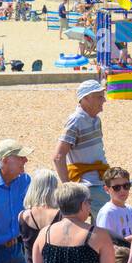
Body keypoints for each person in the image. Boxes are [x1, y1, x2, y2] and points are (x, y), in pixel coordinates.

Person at [54, 80, 110, 210]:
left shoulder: (95, 119)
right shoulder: (76, 121)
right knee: (110, 223)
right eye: (99, 97)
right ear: (86, 98)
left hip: (99, 180)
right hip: (88, 185)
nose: (104, 100)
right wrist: (68, 188)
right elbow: (58, 156)